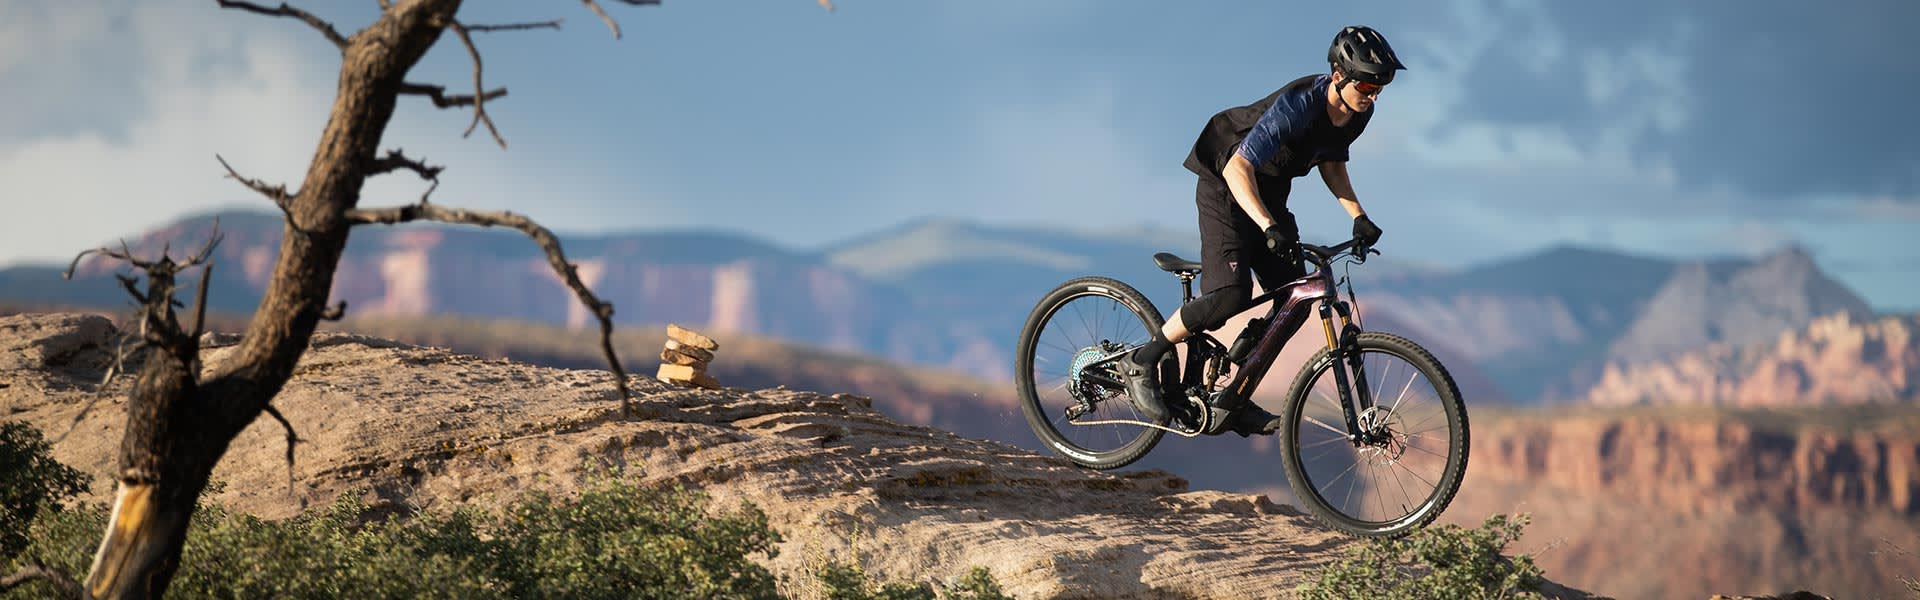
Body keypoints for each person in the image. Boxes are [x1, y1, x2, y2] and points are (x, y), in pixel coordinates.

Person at [1122, 25, 1402, 436]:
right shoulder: (1298, 106)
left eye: (1381, 87)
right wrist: (1268, 225)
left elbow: (1331, 161)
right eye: (1366, 85)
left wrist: (1357, 216)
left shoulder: (1358, 112)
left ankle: (1233, 397)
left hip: (1268, 194)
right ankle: (1141, 361)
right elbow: (1238, 167)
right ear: (1338, 76)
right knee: (1231, 296)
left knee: (1296, 298)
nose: (1374, 95)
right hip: (1226, 185)